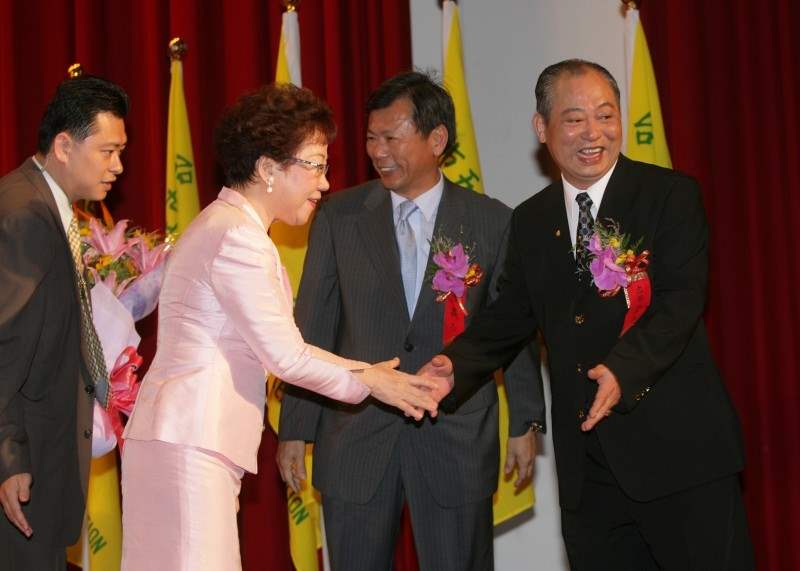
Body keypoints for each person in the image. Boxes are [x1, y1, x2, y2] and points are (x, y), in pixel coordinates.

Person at [422, 59, 754, 570]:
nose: (594, 133)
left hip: (681, 457)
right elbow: (510, 316)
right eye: (575, 119)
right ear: (542, 128)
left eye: (606, 115)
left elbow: (681, 302)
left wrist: (622, 370)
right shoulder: (531, 220)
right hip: (590, 470)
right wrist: (455, 365)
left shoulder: (668, 195)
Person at [120, 84, 441, 571]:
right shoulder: (239, 239)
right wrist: (374, 380)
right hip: (190, 438)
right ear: (268, 168)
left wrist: (369, 375)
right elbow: (286, 356)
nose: (325, 183)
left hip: (180, 438)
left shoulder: (224, 224)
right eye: (314, 165)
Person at [277, 71, 545, 570]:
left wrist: (525, 422)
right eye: (371, 138)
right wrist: (295, 427)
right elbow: (312, 327)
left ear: (436, 140)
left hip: (455, 437)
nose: (378, 151)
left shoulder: (490, 221)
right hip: (356, 437)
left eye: (392, 138)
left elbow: (511, 329)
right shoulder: (339, 217)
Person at [0, 76, 128, 570]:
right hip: (24, 469)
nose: (118, 166)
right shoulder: (25, 214)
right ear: (63, 146)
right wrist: (9, 459)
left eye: (121, 152)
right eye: (108, 151)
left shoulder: (43, 204)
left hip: (41, 461)